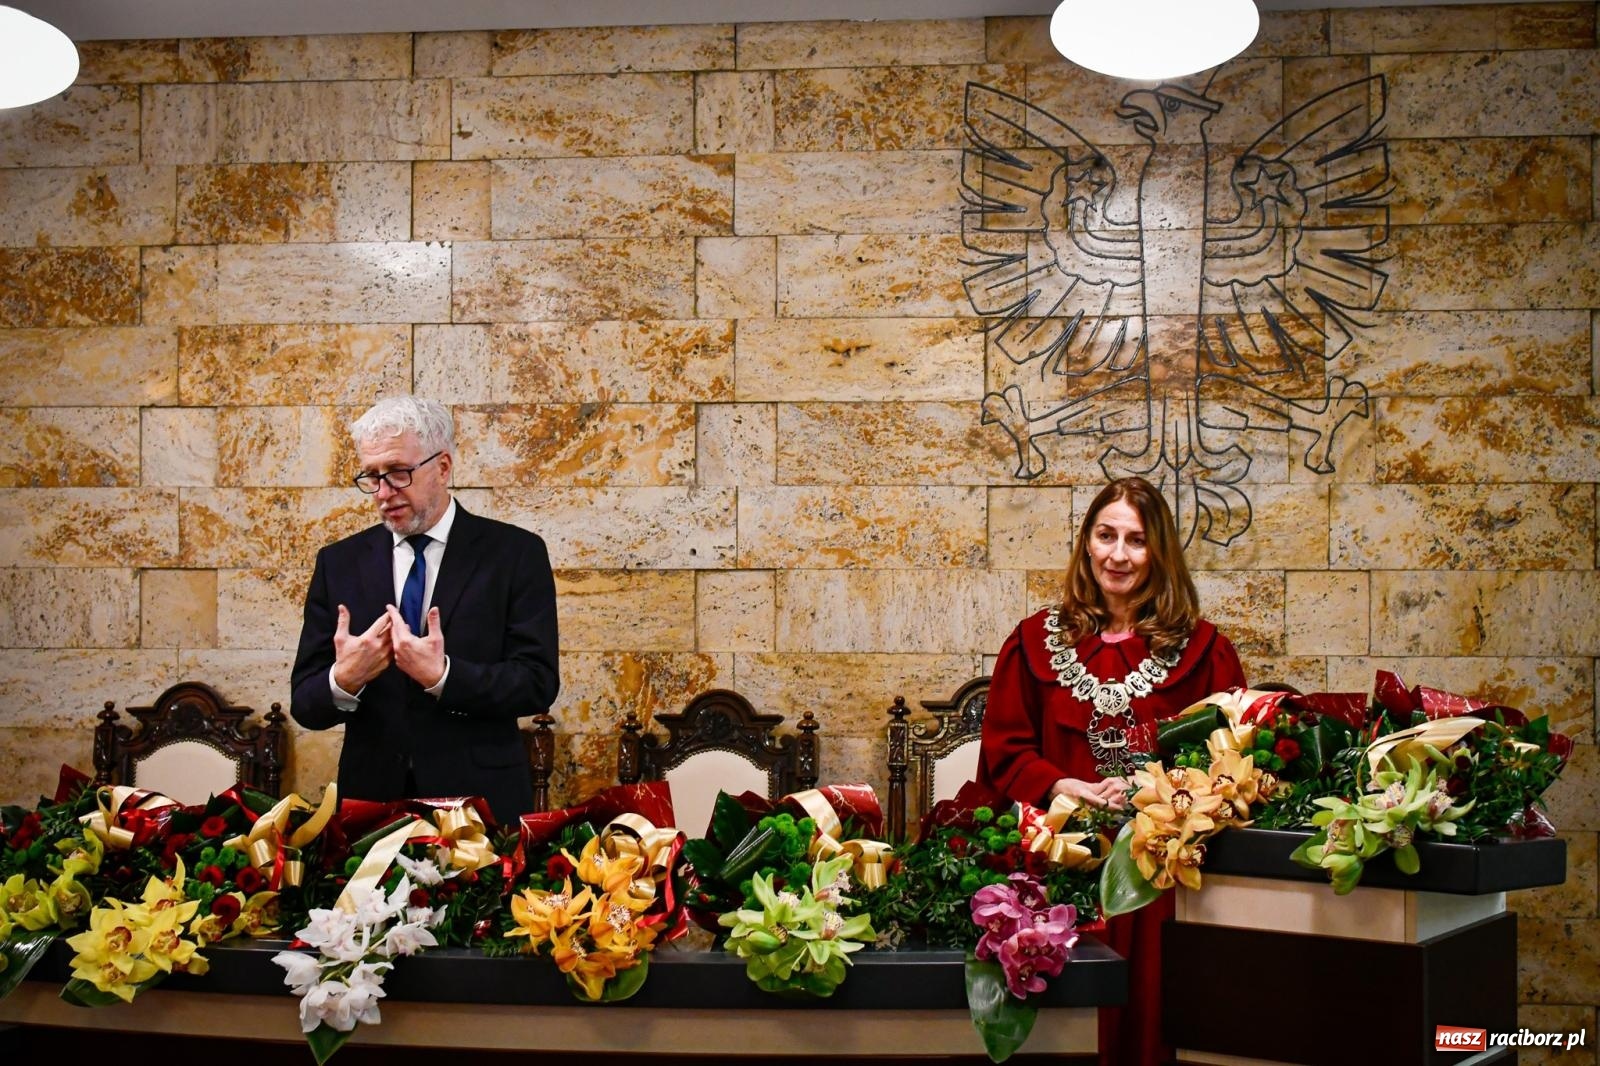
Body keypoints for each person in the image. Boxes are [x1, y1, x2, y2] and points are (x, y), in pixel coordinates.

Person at [978, 476, 1246, 1066]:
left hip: (1161, 880)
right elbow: (1003, 749)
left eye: (1136, 540)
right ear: (1086, 542)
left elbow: (1228, 761)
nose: (1117, 555)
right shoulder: (1031, 643)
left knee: (1154, 1015)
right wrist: (1059, 782)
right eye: (1105, 536)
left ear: (1160, 553)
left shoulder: (1205, 650)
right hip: (1056, 865)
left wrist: (1159, 789)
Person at [290, 396, 559, 825]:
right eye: (372, 477)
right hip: (371, 808)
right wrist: (345, 678)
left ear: (443, 467)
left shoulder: (514, 553)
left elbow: (537, 683)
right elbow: (305, 703)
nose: (383, 493)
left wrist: (444, 677)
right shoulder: (339, 563)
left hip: (481, 807)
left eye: (398, 473)